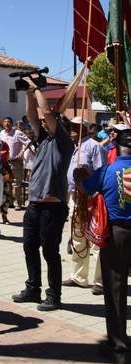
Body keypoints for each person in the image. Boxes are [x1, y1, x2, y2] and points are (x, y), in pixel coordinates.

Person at [12, 82, 74, 312]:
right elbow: (32, 115)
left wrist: (38, 87)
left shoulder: (63, 143)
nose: (46, 125)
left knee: (50, 252)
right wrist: (28, 93)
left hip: (52, 207)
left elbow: (46, 113)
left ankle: (54, 295)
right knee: (29, 247)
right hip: (34, 206)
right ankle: (33, 288)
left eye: (52, 123)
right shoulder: (43, 140)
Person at [74, 127, 131, 364]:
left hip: (117, 234)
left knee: (115, 288)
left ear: (116, 147)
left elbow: (85, 187)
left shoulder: (108, 170)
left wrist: (79, 175)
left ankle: (118, 346)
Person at [64, 117, 107, 294]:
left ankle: (100, 280)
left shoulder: (94, 146)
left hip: (91, 197)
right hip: (75, 197)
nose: (73, 129)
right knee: (77, 236)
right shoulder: (73, 147)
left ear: (85, 128)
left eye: (77, 126)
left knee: (96, 238)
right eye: (71, 126)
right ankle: (79, 276)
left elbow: (102, 172)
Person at [0, 116, 30, 210]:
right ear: (3, 124)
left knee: (16, 184)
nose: (7, 124)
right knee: (7, 183)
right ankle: (10, 202)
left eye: (9, 122)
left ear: (12, 124)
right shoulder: (1, 133)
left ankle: (18, 204)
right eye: (5, 122)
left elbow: (28, 142)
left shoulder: (17, 133)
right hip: (4, 162)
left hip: (15, 162)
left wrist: (21, 153)